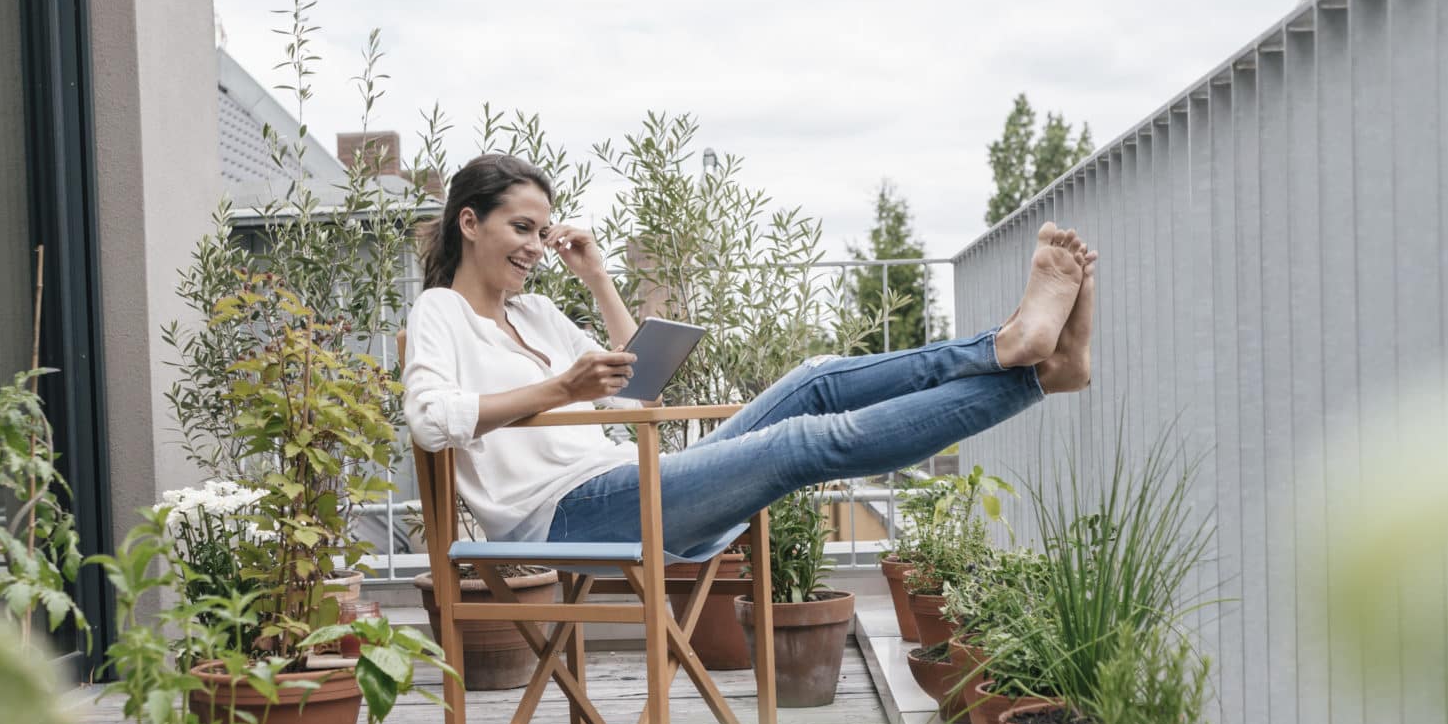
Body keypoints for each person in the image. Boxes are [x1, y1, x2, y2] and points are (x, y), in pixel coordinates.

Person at [401, 151, 1096, 562]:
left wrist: (599, 278)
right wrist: (559, 390)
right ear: (470, 222)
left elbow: (638, 389)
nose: (533, 244)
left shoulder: (538, 313)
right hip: (566, 517)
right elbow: (431, 421)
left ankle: (1013, 350)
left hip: (630, 480)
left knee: (817, 378)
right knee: (802, 440)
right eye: (521, 227)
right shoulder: (440, 313)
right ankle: (1036, 373)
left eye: (542, 231)